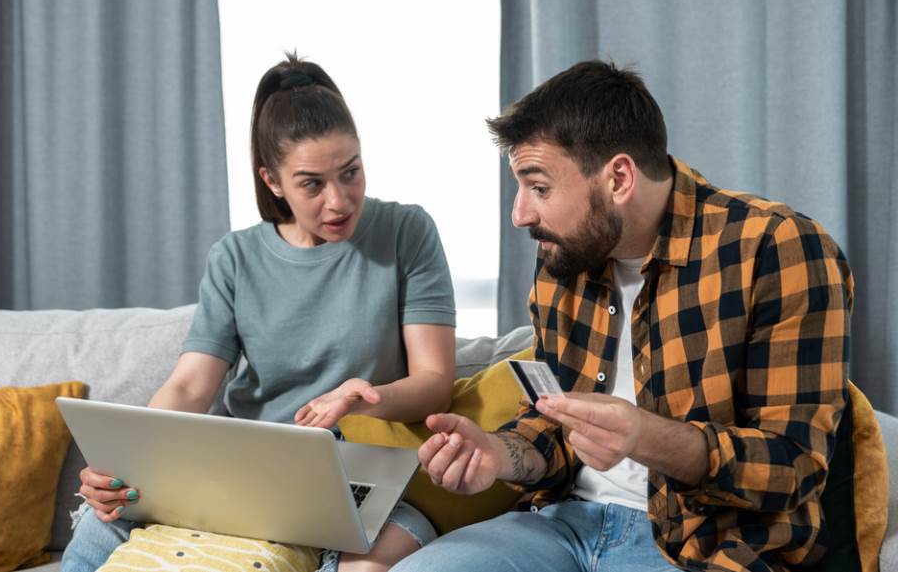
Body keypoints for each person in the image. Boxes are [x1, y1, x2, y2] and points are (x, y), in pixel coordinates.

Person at [390, 60, 853, 572]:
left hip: (703, 546)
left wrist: (646, 437)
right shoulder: (565, 259)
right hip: (561, 525)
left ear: (619, 178)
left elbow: (795, 468)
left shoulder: (775, 248)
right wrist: (499, 455)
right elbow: (549, 428)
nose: (520, 213)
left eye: (539, 187)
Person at [61, 54, 457, 572]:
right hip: (241, 478)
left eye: (351, 173)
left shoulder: (407, 232)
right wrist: (131, 463)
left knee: (373, 564)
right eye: (312, 184)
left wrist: (361, 397)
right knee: (98, 527)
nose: (339, 201)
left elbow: (435, 381)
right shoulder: (235, 256)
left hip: (360, 475)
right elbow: (189, 387)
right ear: (273, 181)